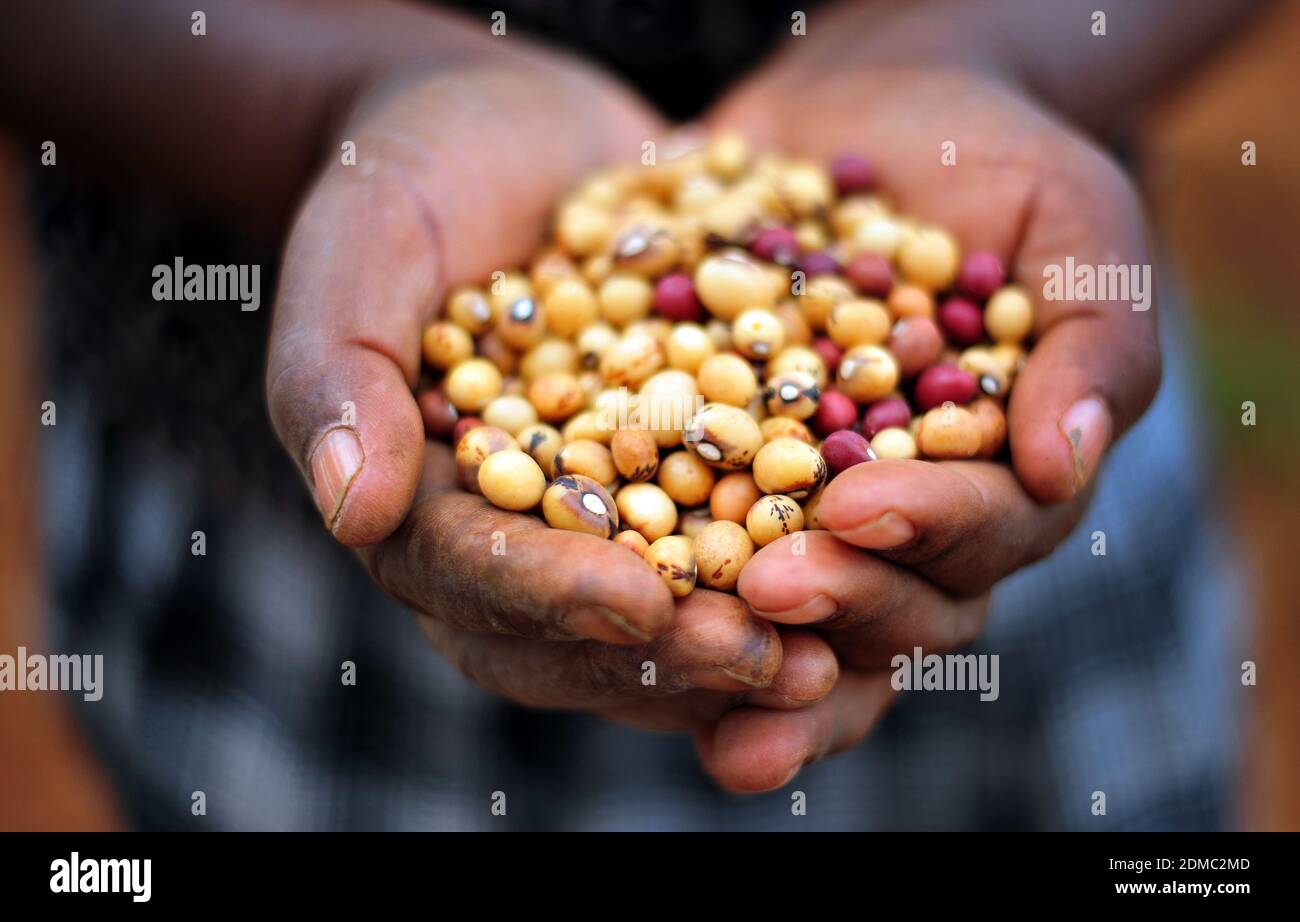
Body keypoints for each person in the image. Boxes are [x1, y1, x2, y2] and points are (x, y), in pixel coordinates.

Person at [0, 0, 1257, 829]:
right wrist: (339, 101)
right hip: (264, 519)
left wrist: (991, 52)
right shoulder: (568, 376)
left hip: (1018, 592)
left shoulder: (842, 330)